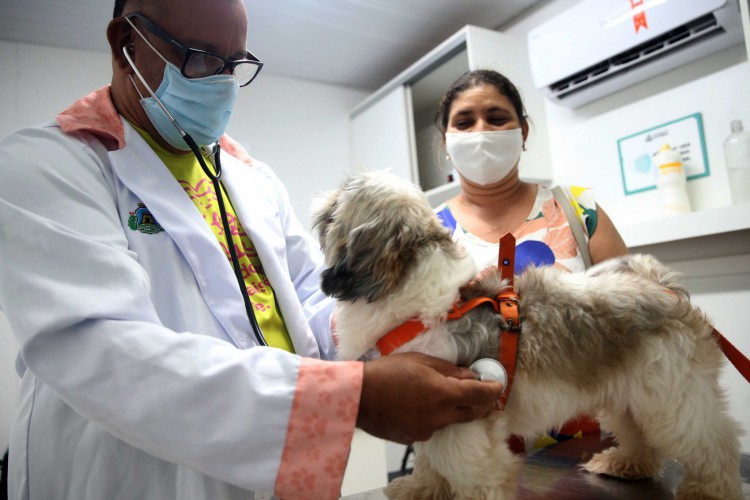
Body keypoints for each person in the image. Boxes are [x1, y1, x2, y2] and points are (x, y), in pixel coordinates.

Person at [0, 2, 503, 499]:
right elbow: (101, 349)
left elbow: (312, 303)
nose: (221, 82)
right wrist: (353, 398)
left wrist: (418, 310)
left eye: (234, 64)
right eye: (199, 58)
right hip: (129, 478)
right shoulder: (49, 164)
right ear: (126, 42)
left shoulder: (250, 179)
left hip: (265, 478)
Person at [434, 69, 629, 448]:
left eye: (496, 117)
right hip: (473, 446)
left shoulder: (578, 209)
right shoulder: (427, 233)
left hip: (588, 443)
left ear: (523, 132)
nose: (481, 131)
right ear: (446, 140)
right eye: (464, 122)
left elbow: (635, 315)